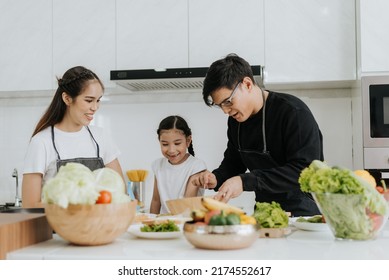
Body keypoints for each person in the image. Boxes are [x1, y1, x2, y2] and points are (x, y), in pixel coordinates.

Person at [190, 54, 324, 217]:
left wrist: (245, 181)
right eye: (220, 106)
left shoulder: (293, 112)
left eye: (228, 101)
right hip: (265, 214)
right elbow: (233, 163)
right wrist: (215, 178)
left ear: (247, 84)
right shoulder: (236, 121)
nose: (226, 111)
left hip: (303, 215)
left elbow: (304, 169)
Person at [22, 66, 125, 208]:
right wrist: (75, 208)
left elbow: (120, 192)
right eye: (89, 100)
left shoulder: (101, 137)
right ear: (67, 98)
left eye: (98, 100)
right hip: (58, 229)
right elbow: (30, 205)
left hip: (99, 227)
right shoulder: (41, 142)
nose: (95, 107)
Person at [150, 115, 207, 214]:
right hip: (165, 224)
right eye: (165, 144)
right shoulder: (158, 165)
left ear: (188, 141)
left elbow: (187, 203)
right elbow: (156, 200)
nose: (171, 150)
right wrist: (150, 224)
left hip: (187, 222)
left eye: (177, 143)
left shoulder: (196, 166)